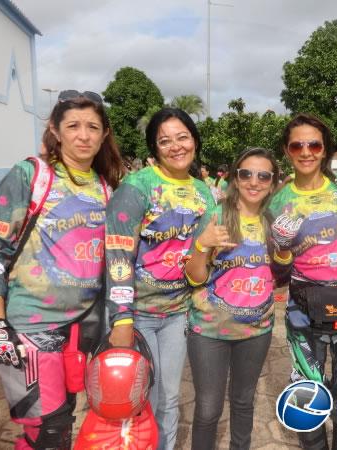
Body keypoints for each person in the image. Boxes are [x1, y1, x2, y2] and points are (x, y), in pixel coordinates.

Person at [0, 90, 124, 449]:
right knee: (46, 430)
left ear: (104, 134)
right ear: (55, 130)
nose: (83, 135)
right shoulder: (31, 174)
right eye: (73, 125)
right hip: (30, 327)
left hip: (81, 329)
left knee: (64, 418)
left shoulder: (106, 187)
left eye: (93, 127)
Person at [268, 113, 337, 450]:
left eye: (314, 144)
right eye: (297, 145)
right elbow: (277, 273)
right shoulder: (277, 201)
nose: (306, 151)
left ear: (325, 149)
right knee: (308, 398)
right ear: (287, 151)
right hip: (304, 312)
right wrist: (283, 249)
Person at [105, 107, 215, 450]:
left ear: (194, 141)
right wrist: (121, 318)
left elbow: (204, 255)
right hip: (137, 314)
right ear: (155, 149)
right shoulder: (137, 187)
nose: (176, 146)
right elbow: (118, 255)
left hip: (177, 313)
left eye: (183, 137)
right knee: (142, 397)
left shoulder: (203, 192)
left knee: (169, 396)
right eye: (165, 141)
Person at [185, 147, 278, 450]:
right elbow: (195, 277)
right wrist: (202, 245)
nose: (254, 181)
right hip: (210, 329)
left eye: (263, 175)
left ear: (272, 182)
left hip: (257, 329)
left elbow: (279, 272)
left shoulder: (272, 222)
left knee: (243, 402)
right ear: (235, 178)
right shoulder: (216, 216)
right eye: (246, 173)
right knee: (209, 409)